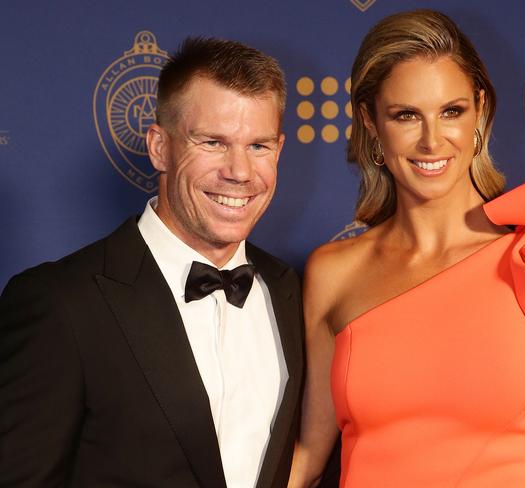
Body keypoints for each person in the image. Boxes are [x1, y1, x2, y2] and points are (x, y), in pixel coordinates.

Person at [288, 10, 525, 488]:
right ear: (371, 122)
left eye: (451, 112)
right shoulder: (331, 271)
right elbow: (309, 459)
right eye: (406, 115)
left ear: (480, 110)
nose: (432, 140)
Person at [0, 38, 304, 488]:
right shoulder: (60, 303)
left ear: (278, 150)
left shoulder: (289, 289)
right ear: (160, 147)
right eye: (213, 142)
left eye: (258, 146)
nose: (240, 171)